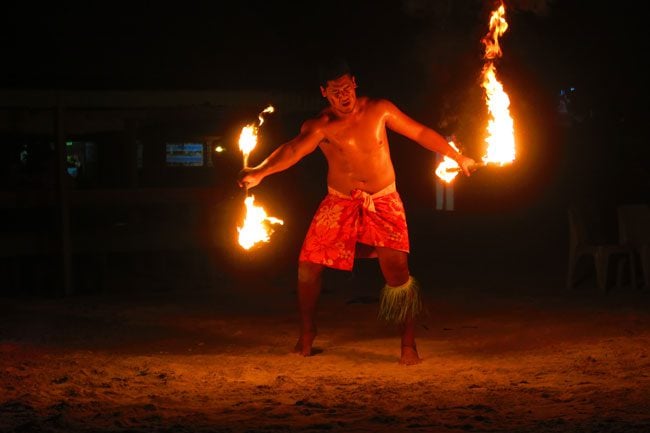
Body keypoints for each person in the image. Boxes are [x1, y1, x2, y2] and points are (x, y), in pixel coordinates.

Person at [238, 58, 476, 365]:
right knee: (308, 266)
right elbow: (293, 150)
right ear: (324, 92)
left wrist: (457, 156)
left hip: (384, 199)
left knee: (398, 274)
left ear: (355, 83)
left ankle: (408, 343)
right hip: (340, 201)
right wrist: (260, 171)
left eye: (346, 86)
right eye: (335, 90)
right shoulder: (320, 126)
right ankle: (307, 333)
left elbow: (418, 132)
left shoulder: (380, 110)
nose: (343, 94)